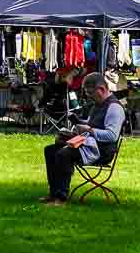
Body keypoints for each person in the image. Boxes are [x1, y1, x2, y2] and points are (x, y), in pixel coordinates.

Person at [40, 72, 125, 205]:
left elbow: (112, 135)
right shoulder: (98, 104)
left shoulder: (114, 108)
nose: (89, 97)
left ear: (101, 89)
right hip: (89, 145)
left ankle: (61, 197)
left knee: (64, 154)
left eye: (90, 93)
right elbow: (91, 123)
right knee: (50, 150)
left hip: (102, 151)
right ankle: (53, 193)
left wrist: (89, 130)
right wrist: (77, 122)